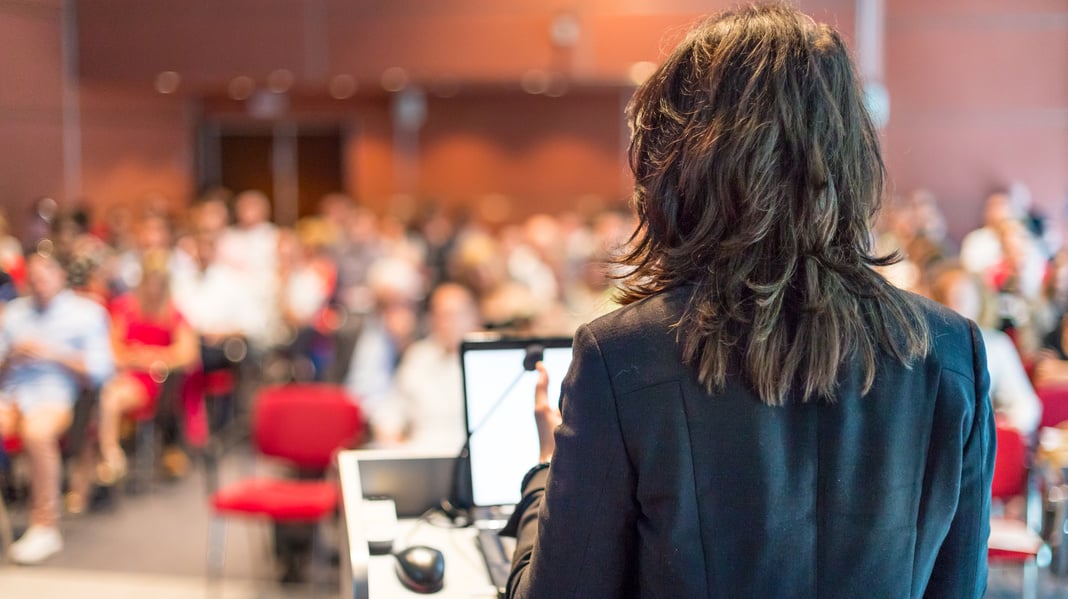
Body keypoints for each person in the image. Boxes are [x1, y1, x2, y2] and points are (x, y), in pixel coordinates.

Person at [502, 5, 993, 598]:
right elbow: (960, 586)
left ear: (677, 162)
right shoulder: (951, 351)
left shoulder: (623, 357)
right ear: (851, 154)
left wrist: (544, 476)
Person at [0, 250, 114, 564]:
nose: (38, 284)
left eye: (45, 276)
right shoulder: (13, 313)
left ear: (61, 276)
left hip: (57, 396)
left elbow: (102, 370)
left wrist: (52, 354)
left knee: (36, 433)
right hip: (11, 394)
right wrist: (12, 356)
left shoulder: (87, 313)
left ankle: (45, 525)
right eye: (33, 278)